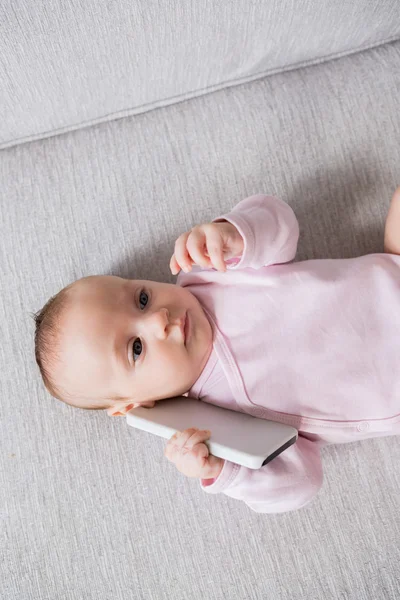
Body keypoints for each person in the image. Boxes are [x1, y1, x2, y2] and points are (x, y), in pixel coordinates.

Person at [33, 187, 400, 513]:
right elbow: (302, 481)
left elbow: (281, 222)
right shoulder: (220, 423)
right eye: (137, 349)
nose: (159, 319)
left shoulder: (208, 271)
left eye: (142, 299)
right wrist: (227, 473)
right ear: (133, 403)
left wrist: (234, 233)